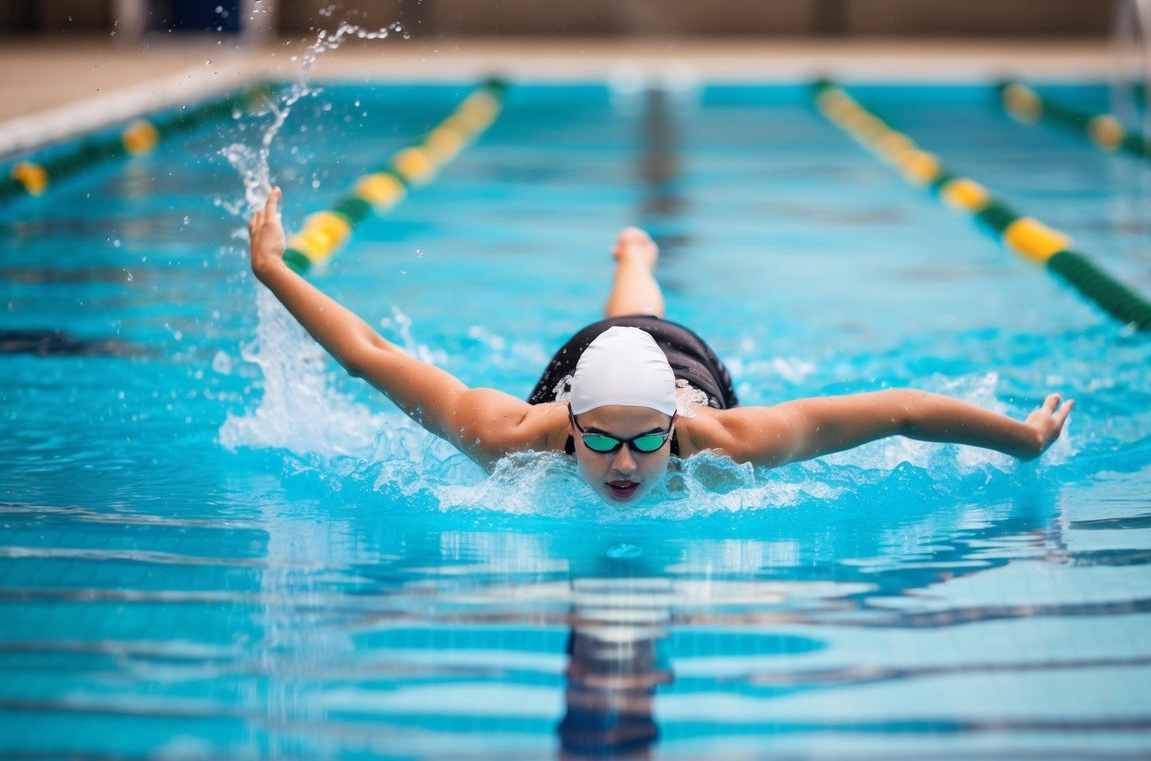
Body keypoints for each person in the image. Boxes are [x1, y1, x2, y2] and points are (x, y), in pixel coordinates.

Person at [248, 188, 1074, 506]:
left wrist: (1023, 440)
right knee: (617, 323)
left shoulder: (728, 442)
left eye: (645, 442)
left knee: (642, 319)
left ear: (671, 430)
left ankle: (636, 263)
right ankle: (631, 265)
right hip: (588, 357)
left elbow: (899, 411)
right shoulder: (511, 435)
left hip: (683, 363)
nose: (623, 464)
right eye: (601, 440)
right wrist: (273, 268)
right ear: (567, 423)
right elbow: (368, 354)